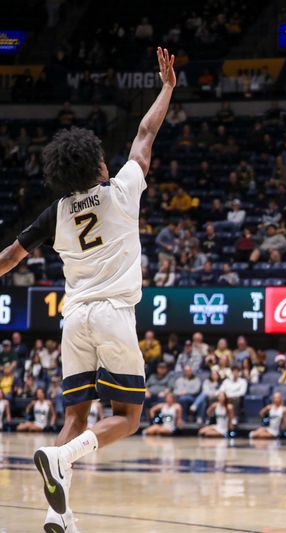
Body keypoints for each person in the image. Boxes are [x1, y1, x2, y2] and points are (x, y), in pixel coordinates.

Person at [0, 47, 176, 530]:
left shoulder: (55, 213)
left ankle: (59, 516)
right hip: (113, 314)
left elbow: (10, 257)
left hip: (72, 318)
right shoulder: (121, 189)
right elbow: (145, 134)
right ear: (97, 164)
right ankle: (65, 459)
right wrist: (166, 88)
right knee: (129, 417)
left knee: (75, 414)